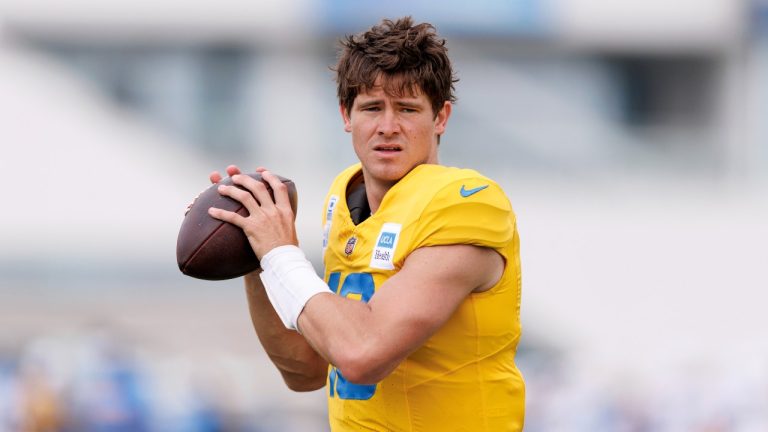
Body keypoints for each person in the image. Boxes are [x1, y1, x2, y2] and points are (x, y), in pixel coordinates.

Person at [208, 16, 525, 431]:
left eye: (407, 109)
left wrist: (281, 255)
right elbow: (304, 371)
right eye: (372, 107)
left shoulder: (465, 203)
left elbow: (362, 354)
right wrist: (255, 258)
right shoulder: (344, 195)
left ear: (441, 118)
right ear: (346, 114)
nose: (387, 127)